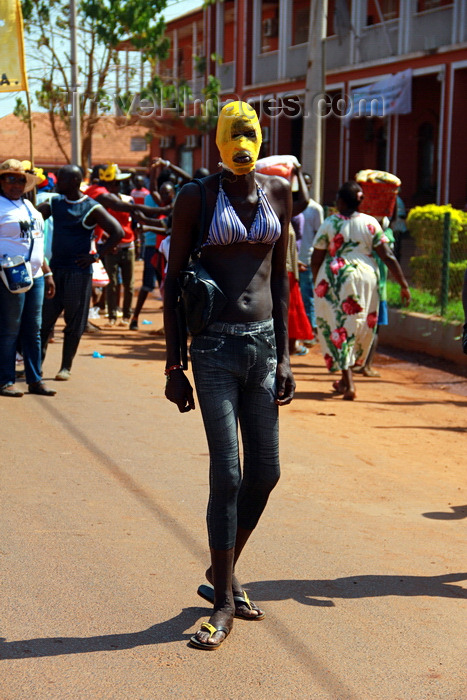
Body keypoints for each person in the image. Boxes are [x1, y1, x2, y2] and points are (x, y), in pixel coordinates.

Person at [164, 101, 294, 650]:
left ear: (260, 138)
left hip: (263, 349)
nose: (242, 145)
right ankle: (221, 604)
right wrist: (174, 364)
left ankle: (222, 572)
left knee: (266, 471)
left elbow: (282, 279)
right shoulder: (196, 196)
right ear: (219, 142)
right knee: (229, 474)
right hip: (213, 350)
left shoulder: (278, 193)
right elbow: (173, 284)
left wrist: (286, 356)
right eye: (233, 137)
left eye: (250, 136)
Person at [311, 181, 411, 400]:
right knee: (358, 322)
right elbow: (387, 255)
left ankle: (349, 383)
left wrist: (317, 280)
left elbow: (316, 257)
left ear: (340, 201)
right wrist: (403, 284)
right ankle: (346, 379)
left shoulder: (330, 222)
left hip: (336, 275)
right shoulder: (370, 223)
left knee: (337, 324)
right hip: (367, 276)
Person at [38, 165, 124, 381]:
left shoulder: (91, 207)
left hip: (78, 271)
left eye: (62, 180)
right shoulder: (55, 203)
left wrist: (96, 256)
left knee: (74, 322)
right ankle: (34, 367)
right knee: (44, 321)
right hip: (55, 269)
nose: (57, 184)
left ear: (74, 182)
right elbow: (34, 217)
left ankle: (65, 367)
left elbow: (118, 232)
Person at [0, 159, 56, 397]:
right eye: (10, 178)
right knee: (10, 329)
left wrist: (48, 272)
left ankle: (35, 379)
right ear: (1, 181)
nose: (16, 184)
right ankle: (5, 380)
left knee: (34, 329)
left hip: (36, 276)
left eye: (21, 179)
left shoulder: (30, 207)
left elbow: (37, 243)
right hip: (9, 276)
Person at [129, 181, 175, 330]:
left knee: (167, 289)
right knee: (148, 285)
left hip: (169, 255)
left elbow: (164, 228)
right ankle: (134, 318)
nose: (163, 196)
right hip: (155, 252)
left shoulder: (173, 210)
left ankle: (167, 326)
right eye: (162, 193)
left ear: (173, 194)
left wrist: (145, 223)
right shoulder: (160, 209)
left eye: (167, 193)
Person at [298, 173, 324, 337]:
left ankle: (311, 330)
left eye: (307, 183)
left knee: (308, 297)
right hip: (292, 261)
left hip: (307, 259)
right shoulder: (289, 204)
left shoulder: (315, 209)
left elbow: (320, 237)